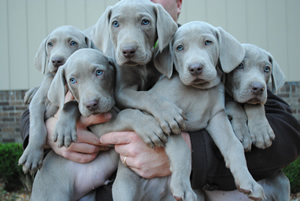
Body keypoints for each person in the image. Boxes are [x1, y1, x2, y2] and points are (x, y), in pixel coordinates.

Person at [20, 0, 300, 200]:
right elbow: (45, 94)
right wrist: (47, 131)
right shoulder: (97, 49)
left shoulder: (203, 46)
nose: (143, 4)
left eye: (145, 18)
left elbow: (287, 131)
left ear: (178, 4)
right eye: (119, 22)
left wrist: (194, 152)